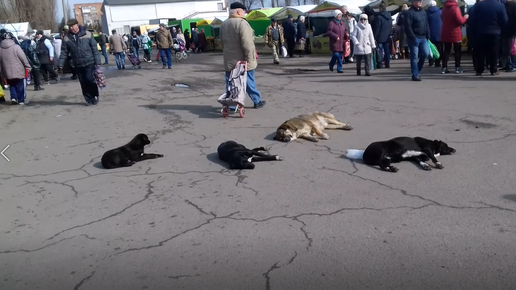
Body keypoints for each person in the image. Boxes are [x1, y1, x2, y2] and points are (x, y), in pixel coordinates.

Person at [220, 2, 266, 109]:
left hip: (229, 61)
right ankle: (256, 100)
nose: (244, 13)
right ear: (239, 11)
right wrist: (249, 59)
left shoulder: (224, 24)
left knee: (231, 83)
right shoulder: (242, 24)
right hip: (242, 61)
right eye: (244, 11)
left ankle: (231, 105)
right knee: (248, 81)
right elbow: (247, 44)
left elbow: (222, 42)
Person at [58, 19, 101, 106]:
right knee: (83, 82)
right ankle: (88, 99)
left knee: (90, 79)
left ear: (77, 25)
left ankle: (95, 95)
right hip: (77, 63)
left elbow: (94, 49)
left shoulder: (87, 34)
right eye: (70, 27)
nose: (72, 28)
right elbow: (64, 52)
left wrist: (97, 61)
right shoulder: (66, 38)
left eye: (73, 26)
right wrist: (60, 64)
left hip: (89, 62)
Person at [469, 0, 508, 75]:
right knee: (494, 52)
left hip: (480, 32)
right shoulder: (500, 6)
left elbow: (472, 20)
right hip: (495, 32)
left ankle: (479, 70)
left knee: (480, 52)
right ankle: (493, 69)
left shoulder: (478, 5)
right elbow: (504, 21)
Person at [0, 29, 32, 105]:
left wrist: (2, 71)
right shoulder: (16, 47)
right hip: (18, 70)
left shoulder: (0, 49)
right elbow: (23, 57)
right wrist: (28, 66)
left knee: (12, 85)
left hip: (7, 71)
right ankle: (21, 100)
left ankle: (13, 97)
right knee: (20, 85)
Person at [404, 0, 431, 81]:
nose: (420, 2)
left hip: (423, 37)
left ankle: (417, 70)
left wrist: (428, 35)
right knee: (414, 57)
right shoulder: (409, 13)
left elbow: (426, 24)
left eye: (420, 1)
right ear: (413, 2)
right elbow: (407, 26)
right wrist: (413, 37)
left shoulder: (423, 11)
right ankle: (415, 75)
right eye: (418, 1)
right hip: (414, 38)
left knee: (425, 54)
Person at [441, 0, 468, 74]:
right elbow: (460, 21)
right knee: (457, 51)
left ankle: (444, 67)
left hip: (446, 31)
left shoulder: (444, 7)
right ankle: (457, 67)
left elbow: (442, 17)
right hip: (455, 31)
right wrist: (465, 17)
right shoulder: (456, 8)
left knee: (446, 50)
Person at [373, 3, 392, 68]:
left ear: (380, 8)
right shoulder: (389, 17)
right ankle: (387, 63)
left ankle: (380, 63)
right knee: (387, 50)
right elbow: (390, 26)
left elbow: (377, 28)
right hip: (387, 36)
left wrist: (375, 37)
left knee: (380, 50)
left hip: (380, 36)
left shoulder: (379, 17)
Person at [500, 0, 516, 71]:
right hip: (507, 31)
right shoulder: (505, 6)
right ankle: (509, 64)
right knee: (508, 49)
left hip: (510, 31)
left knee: (510, 49)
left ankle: (511, 65)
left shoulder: (512, 5)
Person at [427, 1, 443, 68]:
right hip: (439, 32)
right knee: (439, 48)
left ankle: (431, 61)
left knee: (430, 48)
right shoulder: (440, 12)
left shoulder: (426, 13)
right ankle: (437, 62)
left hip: (430, 32)